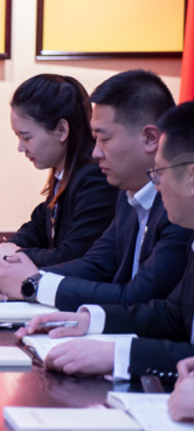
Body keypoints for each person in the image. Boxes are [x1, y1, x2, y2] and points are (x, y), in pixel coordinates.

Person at [0, 70, 191, 311]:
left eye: (104, 139)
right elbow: (96, 265)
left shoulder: (181, 208)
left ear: (150, 138)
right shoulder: (128, 196)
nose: (95, 152)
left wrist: (33, 284)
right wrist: (14, 276)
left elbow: (138, 297)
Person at [18, 101, 194, 381]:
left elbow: (143, 298)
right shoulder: (131, 199)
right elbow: (171, 316)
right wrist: (89, 319)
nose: (156, 185)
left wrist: (119, 355)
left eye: (159, 173)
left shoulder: (177, 222)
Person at [0, 74, 117, 267]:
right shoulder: (64, 175)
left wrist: (13, 255)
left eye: (26, 137)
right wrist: (4, 249)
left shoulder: (95, 178)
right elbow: (36, 229)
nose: (20, 147)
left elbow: (72, 256)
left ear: (61, 130)